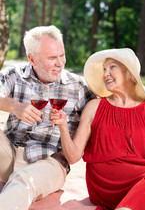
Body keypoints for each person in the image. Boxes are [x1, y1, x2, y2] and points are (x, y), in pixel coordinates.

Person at [50, 48, 145, 210]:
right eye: (104, 69)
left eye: (112, 67)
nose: (106, 73)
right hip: (104, 180)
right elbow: (73, 157)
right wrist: (62, 126)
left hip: (138, 179)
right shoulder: (94, 107)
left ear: (129, 73)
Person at [0, 25, 96, 209]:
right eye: (52, 58)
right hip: (10, 152)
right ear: (32, 59)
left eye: (62, 55)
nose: (60, 63)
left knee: (24, 180)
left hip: (50, 162)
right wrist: (14, 106)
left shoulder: (79, 87)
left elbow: (107, 111)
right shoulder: (15, 75)